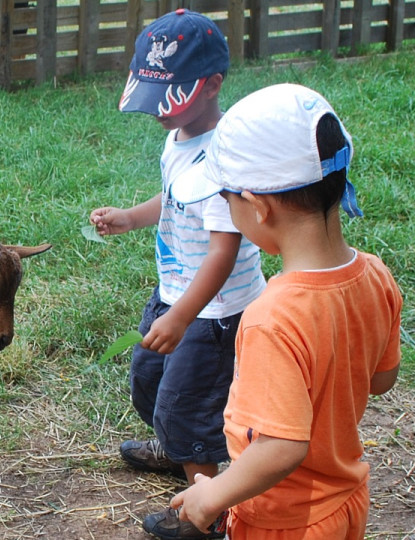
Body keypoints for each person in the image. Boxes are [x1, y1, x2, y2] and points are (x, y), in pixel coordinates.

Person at [167, 83, 402, 539]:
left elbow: (281, 447)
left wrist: (210, 495)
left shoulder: (271, 317)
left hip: (285, 520)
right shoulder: (376, 274)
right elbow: (381, 380)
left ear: (258, 207)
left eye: (225, 198)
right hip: (346, 499)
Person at [89, 10, 266, 539]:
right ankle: (175, 450)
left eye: (172, 93)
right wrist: (131, 218)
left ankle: (205, 508)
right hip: (176, 295)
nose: (157, 111)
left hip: (213, 314)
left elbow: (224, 253)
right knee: (149, 382)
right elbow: (170, 200)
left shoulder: (223, 157)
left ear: (212, 84)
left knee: (186, 406)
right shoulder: (179, 138)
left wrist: (184, 317)